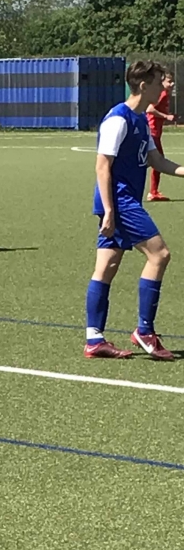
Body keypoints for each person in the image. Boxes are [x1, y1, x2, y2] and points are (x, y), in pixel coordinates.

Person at [84, 59, 184, 361]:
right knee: (159, 254)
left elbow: (157, 161)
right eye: (158, 82)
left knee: (107, 266)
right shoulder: (119, 119)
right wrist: (110, 211)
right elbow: (102, 166)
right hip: (120, 201)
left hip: (124, 202)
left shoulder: (140, 119)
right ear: (143, 85)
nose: (163, 88)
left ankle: (94, 340)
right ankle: (145, 331)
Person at [146, 69, 176, 201]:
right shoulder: (162, 94)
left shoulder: (165, 94)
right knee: (158, 161)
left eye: (173, 81)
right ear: (162, 82)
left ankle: (153, 192)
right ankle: (153, 192)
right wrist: (166, 116)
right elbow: (149, 109)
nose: (172, 84)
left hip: (155, 132)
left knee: (151, 161)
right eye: (169, 81)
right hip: (152, 132)